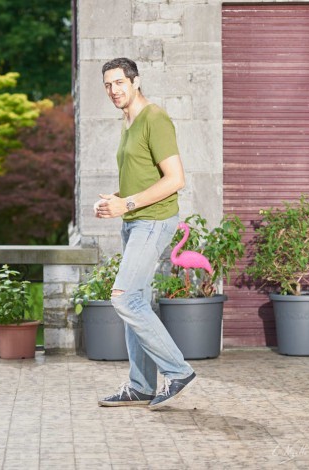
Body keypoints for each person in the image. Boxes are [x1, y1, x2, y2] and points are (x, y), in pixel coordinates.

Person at [94, 58, 196, 410]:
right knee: (136, 299)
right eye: (108, 85)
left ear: (135, 82)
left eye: (119, 82)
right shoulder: (129, 122)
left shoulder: (155, 118)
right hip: (135, 220)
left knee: (124, 298)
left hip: (153, 221)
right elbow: (142, 176)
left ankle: (178, 371)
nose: (113, 90)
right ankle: (140, 385)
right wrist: (116, 201)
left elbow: (175, 179)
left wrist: (129, 203)